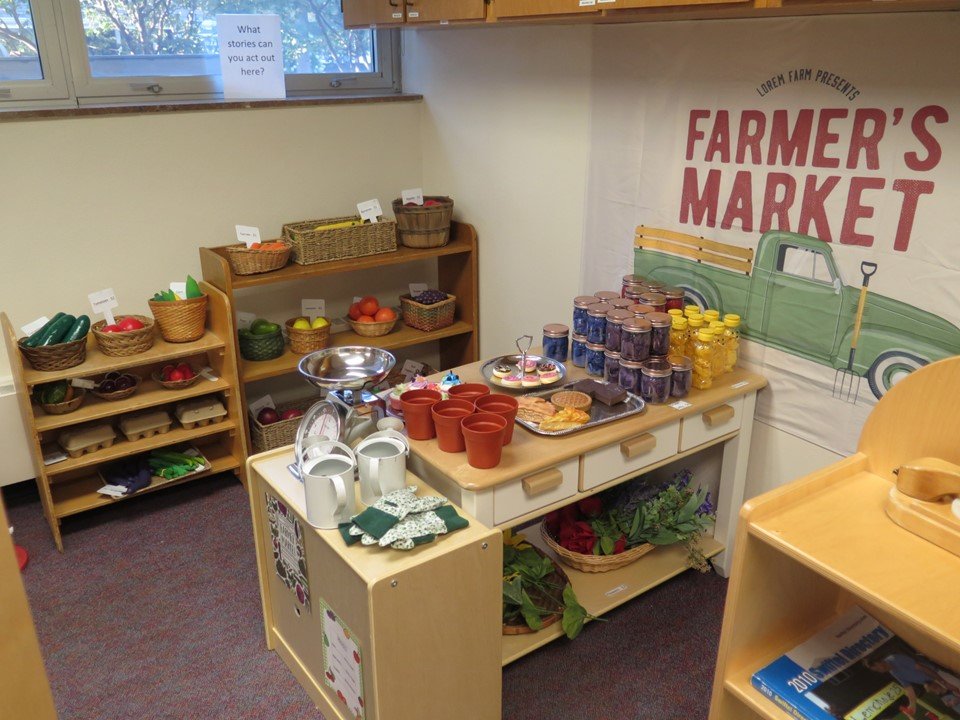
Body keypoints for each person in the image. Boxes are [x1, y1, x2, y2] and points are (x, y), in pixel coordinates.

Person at [863, 653, 960, 719]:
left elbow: (922, 668)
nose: (879, 672)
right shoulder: (893, 671)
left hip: (939, 676)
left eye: (877, 669)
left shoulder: (896, 659)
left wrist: (943, 681)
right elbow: (908, 688)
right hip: (935, 686)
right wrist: (912, 706)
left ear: (878, 663)